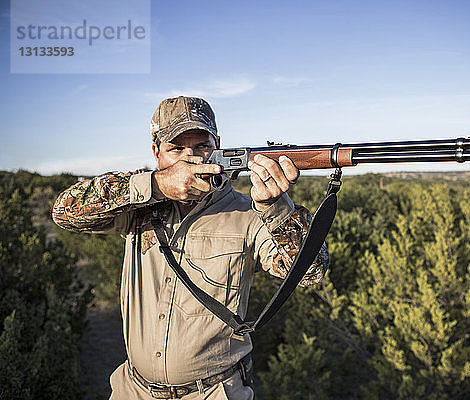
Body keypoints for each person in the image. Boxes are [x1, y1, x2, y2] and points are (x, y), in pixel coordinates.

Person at [52, 96, 329, 399]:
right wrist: (156, 186)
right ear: (156, 152)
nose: (191, 158)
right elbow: (65, 211)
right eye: (176, 149)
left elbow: (310, 273)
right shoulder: (138, 206)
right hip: (134, 390)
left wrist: (275, 207)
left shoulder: (249, 213)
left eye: (201, 147)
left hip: (212, 392)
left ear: (218, 146)